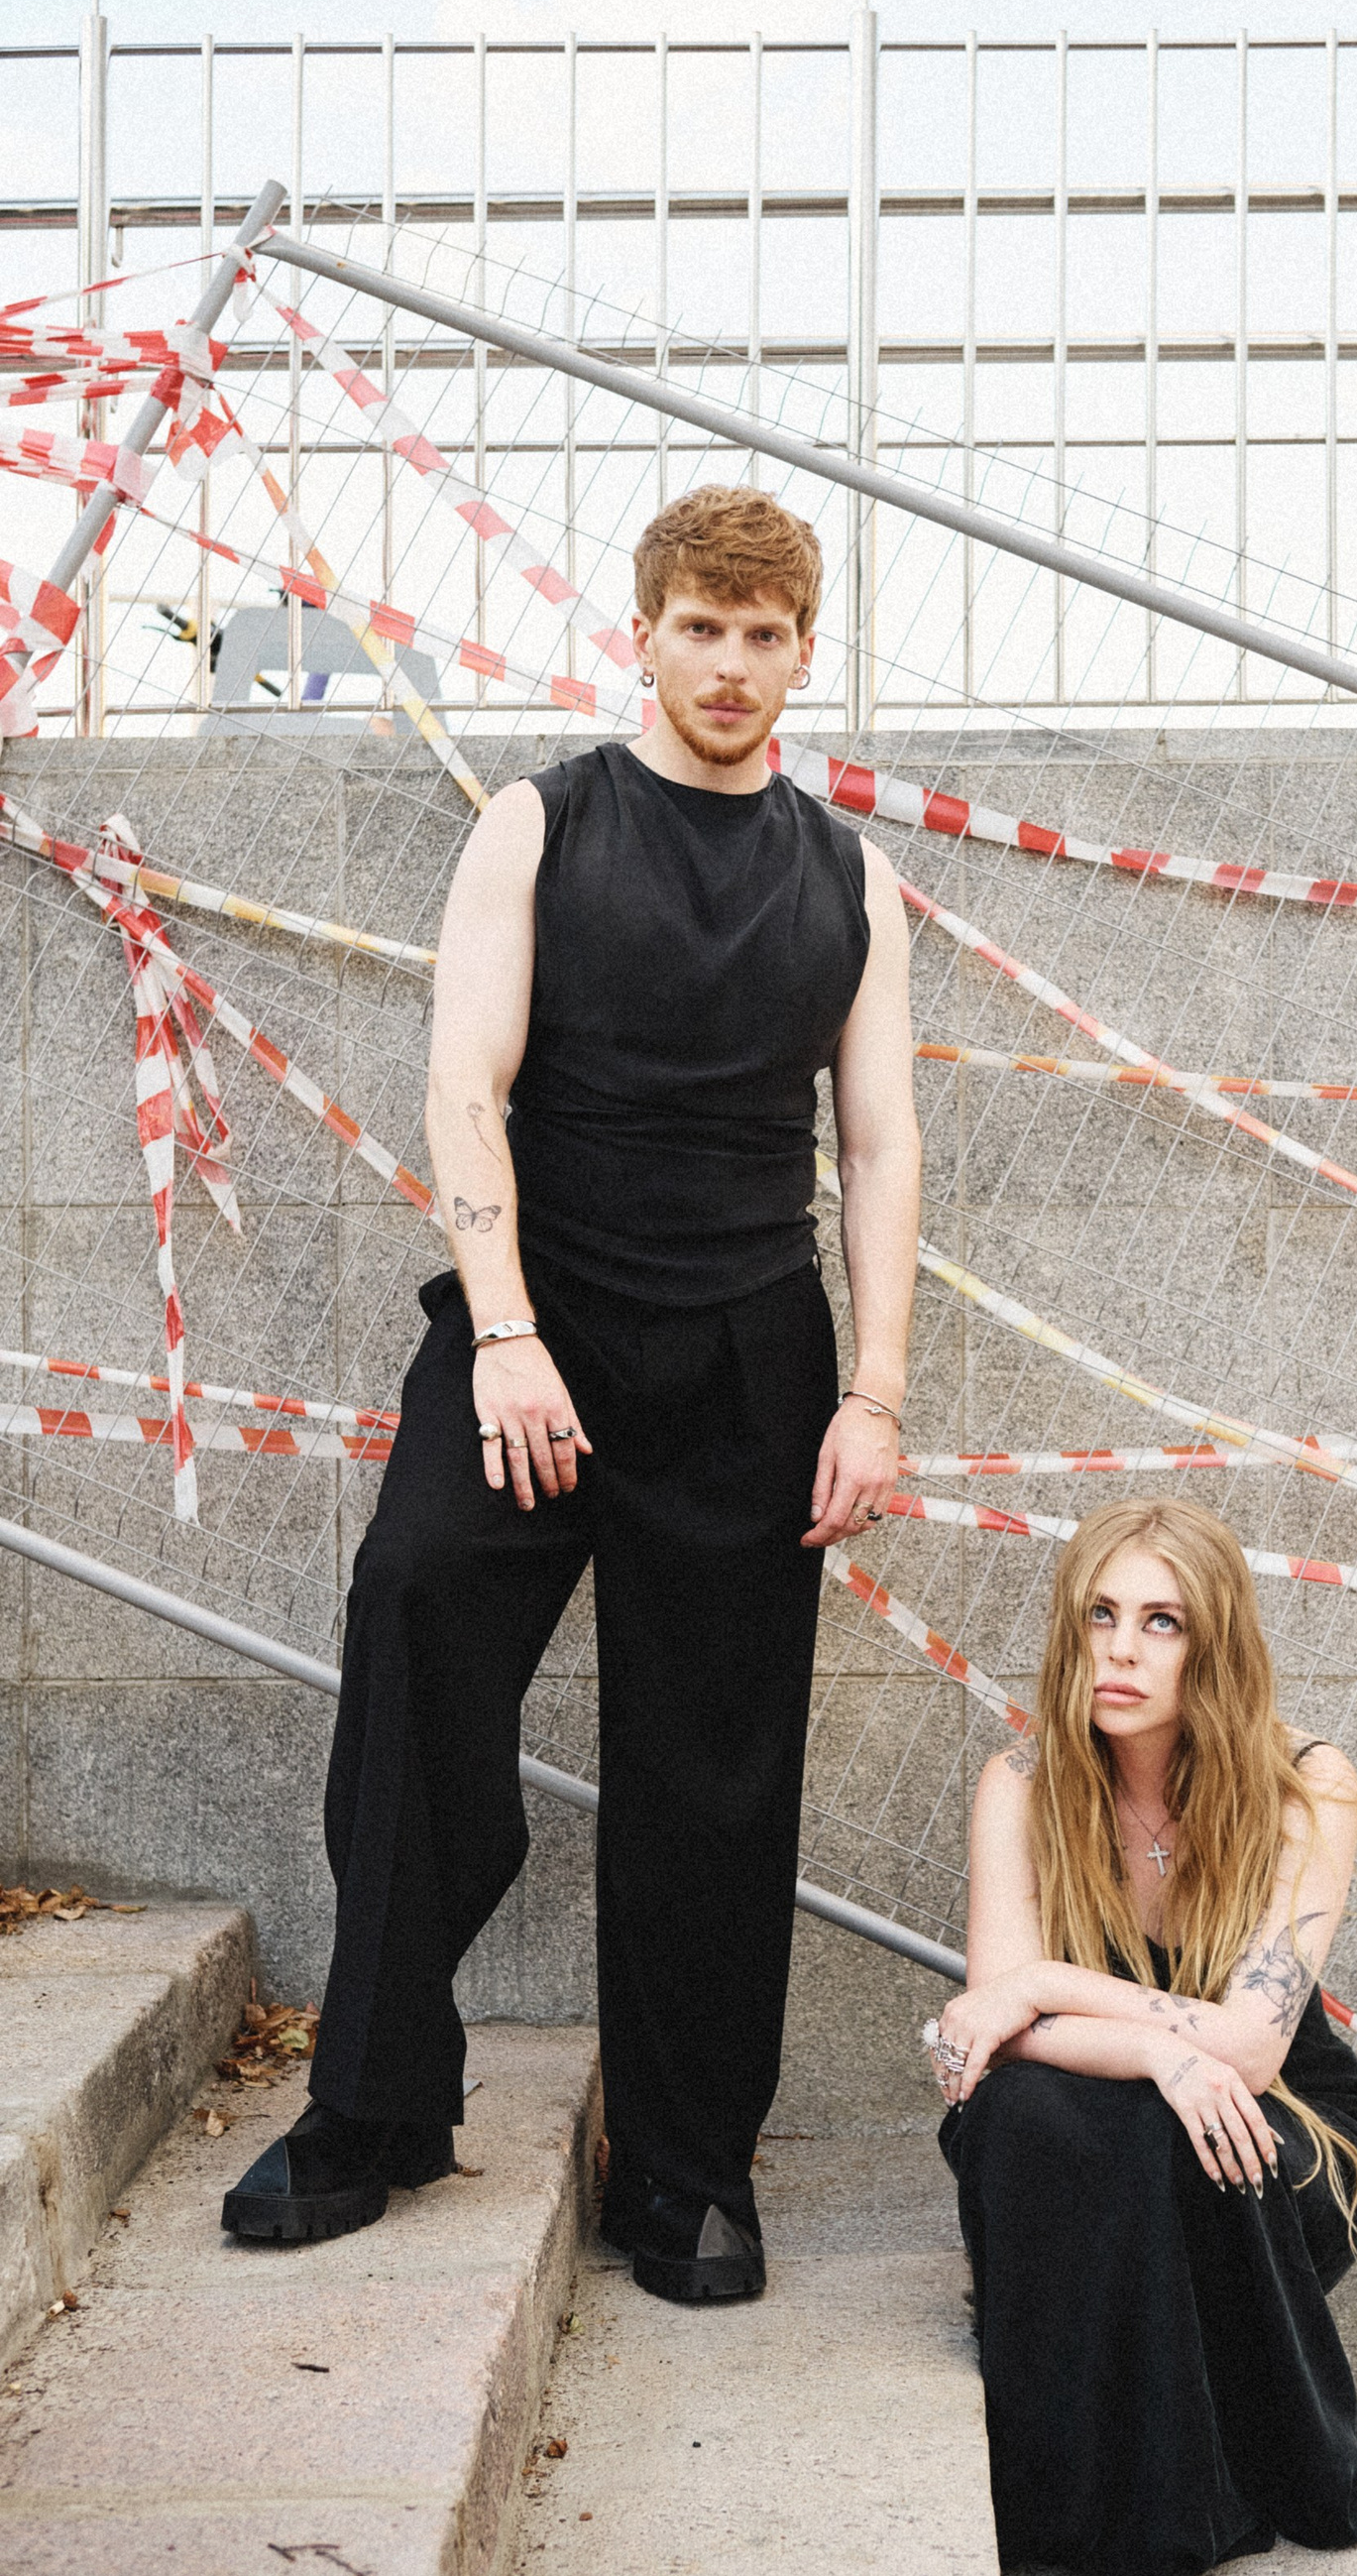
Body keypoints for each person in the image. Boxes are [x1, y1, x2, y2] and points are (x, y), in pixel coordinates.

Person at [223, 485, 922, 2305]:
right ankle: (378, 2101)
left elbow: (880, 1145)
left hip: (750, 1360)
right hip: (535, 1336)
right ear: (645, 632)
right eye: (702, 627)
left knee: (715, 1774)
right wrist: (508, 1331)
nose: (730, 663)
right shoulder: (540, 825)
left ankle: (684, 2172)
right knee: (413, 1612)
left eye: (764, 635)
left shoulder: (851, 879)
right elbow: (466, 1088)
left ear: (804, 654)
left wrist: (878, 1394)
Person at [929, 1497, 1357, 2576]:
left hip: (1286, 2122)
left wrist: (1045, 1985)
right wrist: (1158, 2053)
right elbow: (993, 2045)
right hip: (1107, 2098)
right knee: (1025, 2114)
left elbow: (1250, 2048)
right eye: (1100, 1614)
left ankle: (1179, 2490)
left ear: (1215, 1644)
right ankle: (1078, 2491)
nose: (1120, 1649)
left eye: (1162, 1622)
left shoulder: (1307, 1784)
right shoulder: (1021, 1785)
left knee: (1168, 2139)